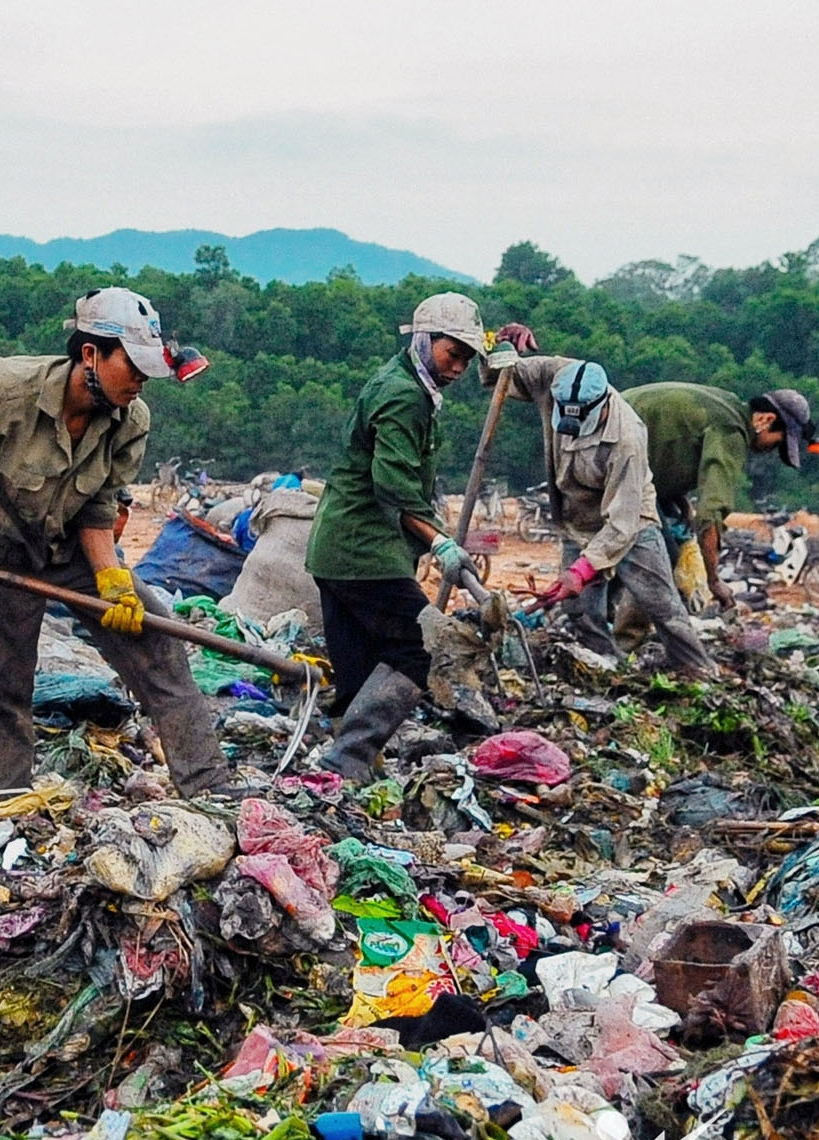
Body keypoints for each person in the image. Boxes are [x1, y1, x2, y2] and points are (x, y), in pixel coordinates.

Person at [0, 287, 230, 801]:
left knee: (157, 646)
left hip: (69, 548)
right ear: (91, 353)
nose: (141, 383)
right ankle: (7, 800)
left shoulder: (131, 420)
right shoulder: (7, 391)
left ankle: (210, 787)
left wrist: (111, 580)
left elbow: (99, 504)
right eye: (133, 367)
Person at [304, 292, 488, 782]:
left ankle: (346, 780)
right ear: (425, 340)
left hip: (336, 548)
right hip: (365, 550)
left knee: (358, 666)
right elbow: (394, 486)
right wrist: (440, 542)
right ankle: (348, 759)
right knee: (419, 648)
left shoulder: (407, 383)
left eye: (468, 359)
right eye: (454, 353)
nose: (460, 367)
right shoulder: (403, 395)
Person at [480, 329, 715, 675]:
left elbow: (622, 522)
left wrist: (581, 570)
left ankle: (700, 671)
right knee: (580, 611)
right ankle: (607, 668)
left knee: (661, 605)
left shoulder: (627, 438)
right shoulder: (556, 375)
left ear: (603, 404)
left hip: (632, 521)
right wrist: (495, 346)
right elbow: (500, 375)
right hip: (578, 520)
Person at [622, 381, 813, 609]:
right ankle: (620, 635)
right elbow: (710, 513)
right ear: (766, 420)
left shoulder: (726, 404)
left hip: (611, 451)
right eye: (777, 443)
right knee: (661, 557)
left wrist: (675, 495)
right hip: (610, 464)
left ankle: (605, 621)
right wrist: (714, 580)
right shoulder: (731, 432)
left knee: (646, 549)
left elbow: (665, 444)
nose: (771, 450)